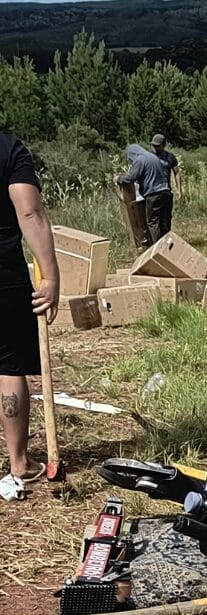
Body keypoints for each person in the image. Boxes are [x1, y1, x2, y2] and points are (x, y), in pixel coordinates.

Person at [0, 132, 60, 483]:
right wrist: (49, 275)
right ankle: (19, 463)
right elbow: (29, 210)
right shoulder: (9, 149)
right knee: (8, 364)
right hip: (3, 274)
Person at [116, 138, 173, 244]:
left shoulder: (140, 160)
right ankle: (168, 245)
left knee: (153, 222)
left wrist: (118, 179)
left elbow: (130, 178)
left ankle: (158, 249)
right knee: (164, 221)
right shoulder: (152, 157)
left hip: (153, 194)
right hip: (166, 192)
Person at [151, 134, 183, 203]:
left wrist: (179, 190)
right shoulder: (149, 156)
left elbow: (176, 173)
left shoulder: (170, 157)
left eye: (158, 146)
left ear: (163, 145)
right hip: (152, 193)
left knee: (166, 213)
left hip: (165, 191)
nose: (155, 148)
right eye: (154, 146)